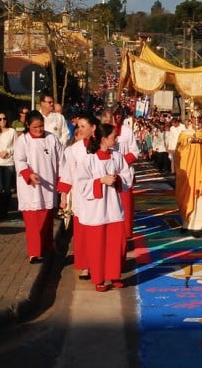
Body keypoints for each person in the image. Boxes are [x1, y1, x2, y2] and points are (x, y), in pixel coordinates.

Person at [75, 123, 133, 291]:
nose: (117, 139)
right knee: (97, 245)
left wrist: (118, 179)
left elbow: (127, 175)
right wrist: (100, 181)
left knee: (116, 244)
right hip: (96, 210)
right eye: (114, 136)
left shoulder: (117, 156)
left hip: (114, 208)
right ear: (104, 139)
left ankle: (115, 274)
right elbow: (81, 184)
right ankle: (99, 279)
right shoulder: (89, 159)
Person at [14, 110, 63, 264]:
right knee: (32, 223)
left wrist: (61, 181)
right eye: (35, 127)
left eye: (41, 126)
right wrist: (28, 174)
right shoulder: (23, 141)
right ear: (28, 125)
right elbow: (19, 160)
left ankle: (48, 247)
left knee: (47, 221)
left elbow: (62, 161)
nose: (39, 130)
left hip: (48, 186)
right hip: (30, 188)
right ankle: (34, 252)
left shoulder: (52, 139)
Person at [58, 113, 100, 280]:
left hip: (98, 197)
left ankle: (97, 263)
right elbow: (67, 174)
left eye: (83, 126)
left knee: (96, 233)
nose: (80, 130)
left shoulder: (101, 147)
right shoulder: (72, 150)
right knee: (81, 233)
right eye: (79, 126)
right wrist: (63, 197)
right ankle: (85, 266)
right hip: (81, 198)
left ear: (93, 128)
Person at [175, 109, 202, 237]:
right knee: (187, 195)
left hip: (201, 170)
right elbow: (179, 151)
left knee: (200, 197)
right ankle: (186, 223)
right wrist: (189, 142)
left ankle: (199, 225)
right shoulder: (184, 133)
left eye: (200, 118)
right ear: (190, 119)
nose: (197, 120)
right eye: (194, 118)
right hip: (188, 170)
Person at [113, 112, 140, 239]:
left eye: (119, 115)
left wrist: (120, 162)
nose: (117, 117)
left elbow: (134, 152)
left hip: (124, 173)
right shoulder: (102, 129)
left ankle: (126, 232)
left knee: (125, 204)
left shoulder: (127, 131)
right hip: (106, 171)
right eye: (114, 115)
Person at [0, 111, 17, 219]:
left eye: (4, 118)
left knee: (7, 189)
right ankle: (0, 210)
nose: (2, 121)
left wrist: (8, 151)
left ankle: (5, 211)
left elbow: (17, 146)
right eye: (0, 119)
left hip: (9, 163)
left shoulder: (12, 131)